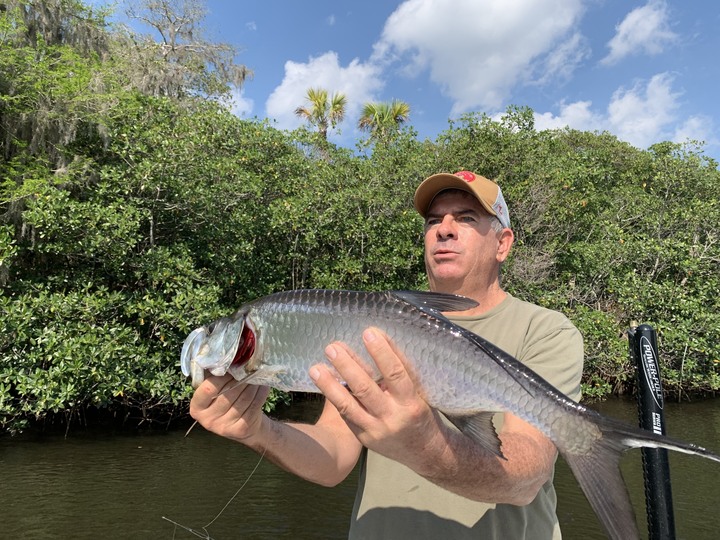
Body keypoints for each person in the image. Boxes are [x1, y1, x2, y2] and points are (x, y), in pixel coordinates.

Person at [189, 170, 584, 539]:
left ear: (503, 243)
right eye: (433, 221)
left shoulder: (545, 331)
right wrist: (260, 431)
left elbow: (525, 478)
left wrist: (425, 444)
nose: (444, 230)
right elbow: (333, 458)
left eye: (465, 218)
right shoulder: (374, 324)